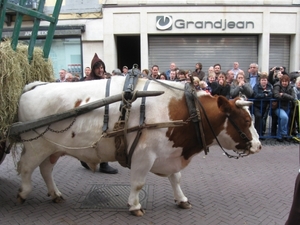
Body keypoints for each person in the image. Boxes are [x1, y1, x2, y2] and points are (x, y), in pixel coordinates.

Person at [80, 53, 118, 174]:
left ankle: (93, 161)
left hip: (103, 113)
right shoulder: (88, 81)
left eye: (101, 67)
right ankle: (100, 163)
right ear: (93, 69)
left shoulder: (105, 80)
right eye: (97, 68)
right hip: (92, 115)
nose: (100, 70)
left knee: (103, 137)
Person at [273, 74, 296, 142]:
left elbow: (293, 97)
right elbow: (276, 95)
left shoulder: (291, 87)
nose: (284, 83)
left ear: (288, 82)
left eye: (286, 81)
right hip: (278, 107)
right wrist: (287, 98)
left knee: (283, 121)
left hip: (287, 107)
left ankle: (279, 136)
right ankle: (284, 133)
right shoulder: (277, 86)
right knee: (284, 117)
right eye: (283, 81)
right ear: (281, 81)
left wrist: (283, 94)